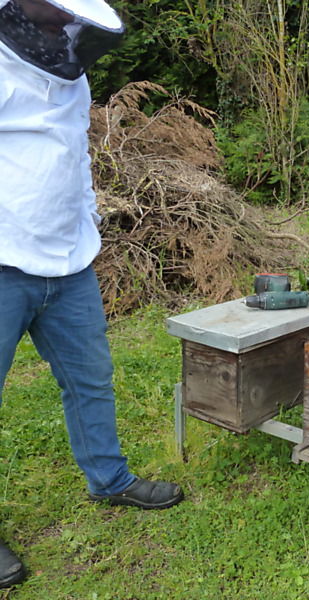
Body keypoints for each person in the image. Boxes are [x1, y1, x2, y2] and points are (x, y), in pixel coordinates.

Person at [0, 0, 184, 588]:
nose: (65, 34)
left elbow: (74, 158)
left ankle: (110, 480)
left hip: (70, 262)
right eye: (56, 22)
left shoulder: (71, 81)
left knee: (91, 380)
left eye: (70, 25)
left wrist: (88, 226)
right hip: (3, 262)